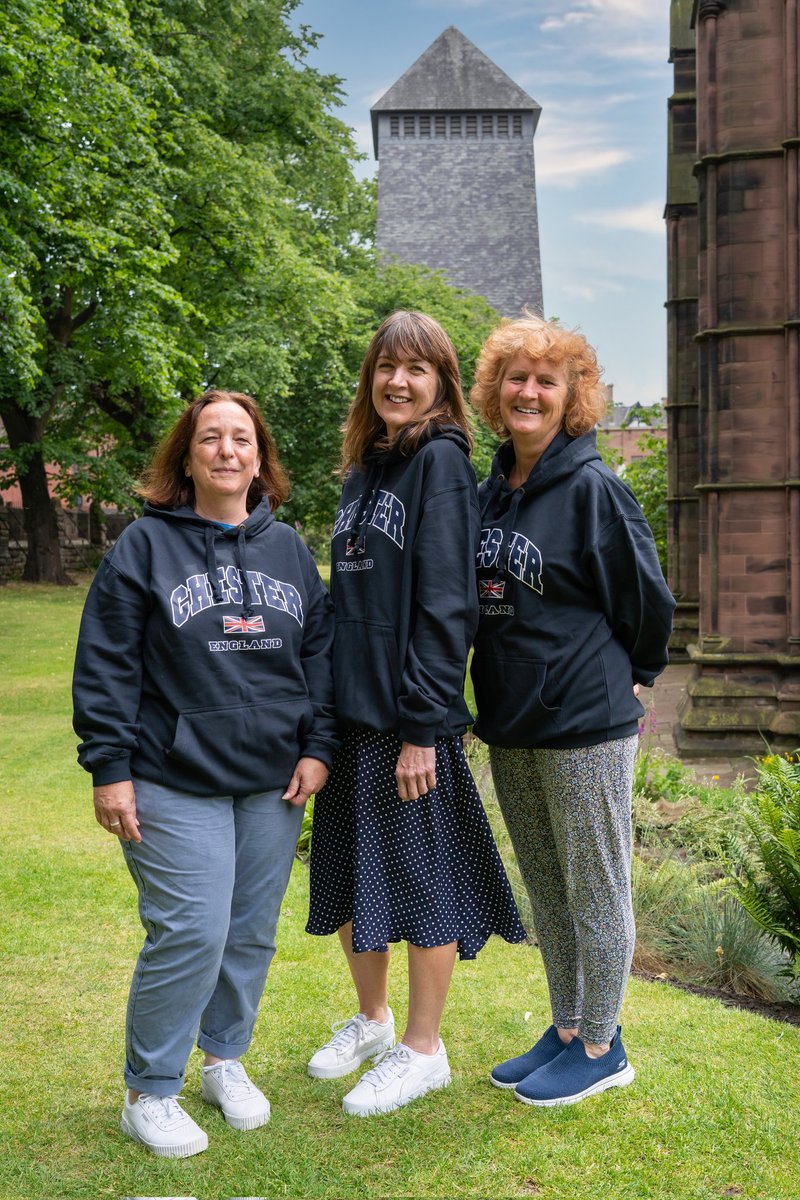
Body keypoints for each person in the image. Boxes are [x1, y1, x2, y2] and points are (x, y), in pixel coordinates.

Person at [72, 390, 337, 1157]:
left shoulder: (288, 549)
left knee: (248, 932)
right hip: (169, 773)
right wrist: (109, 768)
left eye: (242, 439)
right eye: (211, 439)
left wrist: (319, 747)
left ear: (261, 457)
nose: (227, 451)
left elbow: (319, 655)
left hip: (270, 780)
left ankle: (224, 1058)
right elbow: (107, 663)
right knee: (190, 928)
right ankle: (147, 1091)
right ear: (185, 458)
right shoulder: (145, 547)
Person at [305, 310, 526, 1117]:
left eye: (417, 369)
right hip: (355, 716)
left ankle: (424, 1050)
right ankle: (371, 1020)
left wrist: (423, 727)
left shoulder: (438, 464)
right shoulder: (364, 471)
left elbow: (445, 605)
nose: (397, 381)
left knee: (421, 882)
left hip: (409, 725)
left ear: (441, 385)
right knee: (352, 877)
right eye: (385, 367)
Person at [469, 316, 675, 1108]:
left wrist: (637, 675)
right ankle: (565, 1028)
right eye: (515, 378)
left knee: (596, 887)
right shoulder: (494, 492)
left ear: (571, 397)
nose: (528, 391)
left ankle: (602, 1043)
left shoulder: (593, 489)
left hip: (584, 724)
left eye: (545, 381)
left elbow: (647, 600)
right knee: (549, 887)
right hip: (515, 723)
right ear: (496, 393)